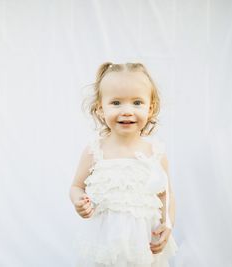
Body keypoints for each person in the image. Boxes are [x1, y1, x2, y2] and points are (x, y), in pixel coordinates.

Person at [69, 62, 178, 266]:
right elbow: (76, 186)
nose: (127, 111)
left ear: (150, 108)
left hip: (144, 242)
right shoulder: (95, 151)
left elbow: (166, 194)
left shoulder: (156, 152)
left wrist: (168, 223)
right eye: (116, 103)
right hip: (105, 241)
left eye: (137, 103)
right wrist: (79, 202)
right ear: (100, 109)